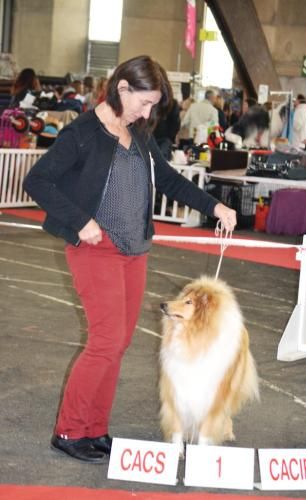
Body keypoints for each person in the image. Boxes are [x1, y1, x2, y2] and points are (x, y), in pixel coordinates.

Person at [23, 55, 236, 464]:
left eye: (154, 104)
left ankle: (94, 429)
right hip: (95, 251)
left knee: (117, 344)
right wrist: (80, 220)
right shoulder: (83, 133)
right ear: (123, 89)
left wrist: (215, 208)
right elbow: (38, 180)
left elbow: (170, 179)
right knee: (105, 342)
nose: (148, 111)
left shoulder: (138, 134)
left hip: (134, 252)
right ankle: (69, 429)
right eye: (145, 102)